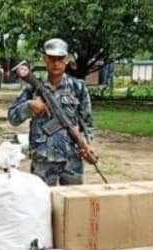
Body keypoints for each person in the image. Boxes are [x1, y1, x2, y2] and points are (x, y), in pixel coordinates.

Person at [8, 38, 94, 185]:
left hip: (71, 160)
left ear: (67, 60)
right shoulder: (33, 87)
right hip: (43, 160)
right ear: (44, 59)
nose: (56, 63)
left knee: (73, 204)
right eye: (51, 58)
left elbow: (87, 123)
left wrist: (86, 145)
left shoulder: (78, 88)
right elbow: (12, 117)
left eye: (60, 59)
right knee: (43, 205)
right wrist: (29, 106)